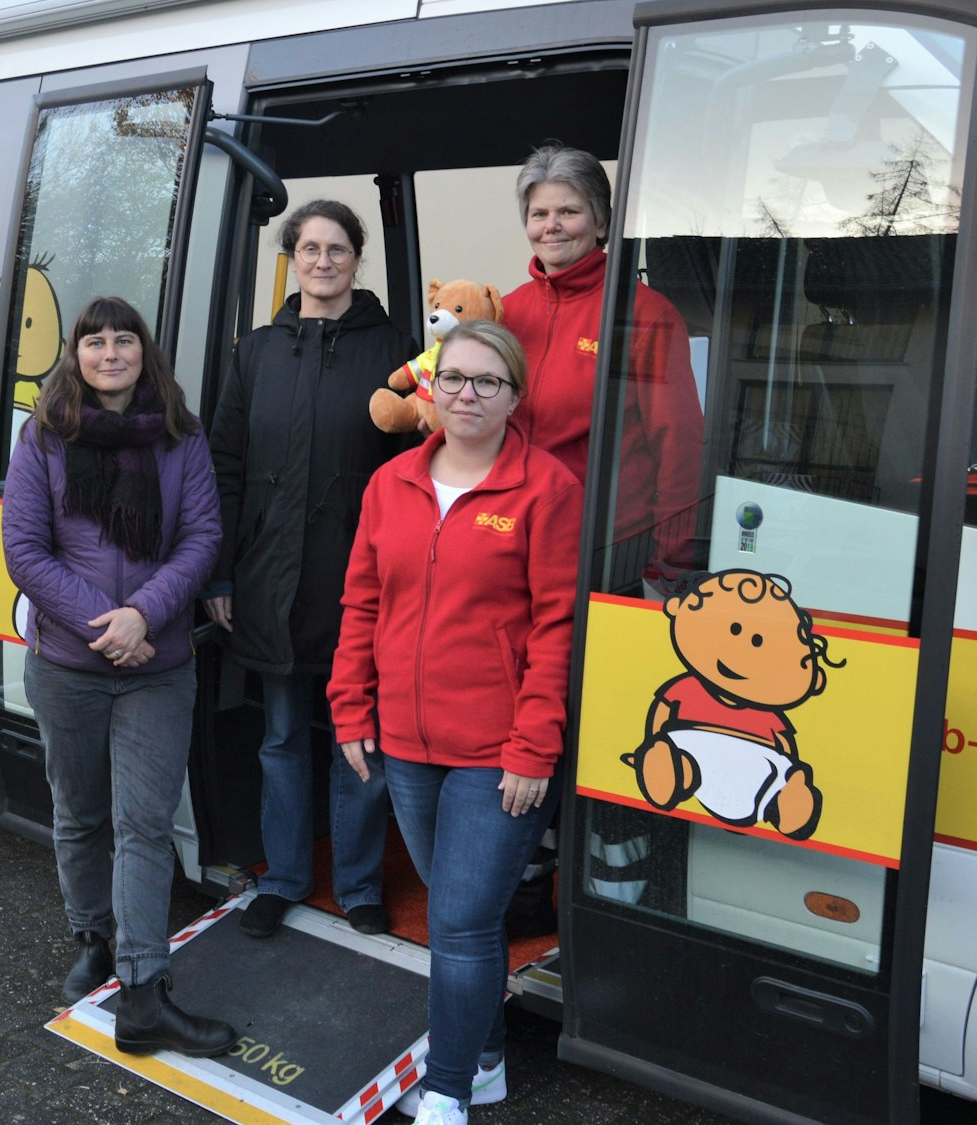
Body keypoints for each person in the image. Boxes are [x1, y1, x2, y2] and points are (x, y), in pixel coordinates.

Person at [328, 321, 581, 1125]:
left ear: (515, 395)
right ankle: (489, 1058)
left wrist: (534, 745)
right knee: (455, 906)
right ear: (430, 390)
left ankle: (447, 1089)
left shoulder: (547, 489)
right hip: (405, 741)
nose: (467, 393)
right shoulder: (391, 482)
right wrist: (349, 706)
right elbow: (362, 603)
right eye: (453, 378)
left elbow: (558, 629)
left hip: (499, 752)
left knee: (462, 920)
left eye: (487, 381)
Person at [2, 295, 235, 1057]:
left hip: (157, 667)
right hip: (69, 664)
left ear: (144, 350)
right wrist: (107, 626)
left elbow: (201, 536)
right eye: (95, 341)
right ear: (75, 353)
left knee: (144, 824)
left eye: (124, 340)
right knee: (79, 813)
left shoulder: (181, 435)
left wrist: (144, 614)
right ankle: (93, 937)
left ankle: (142, 989)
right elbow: (24, 549)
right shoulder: (44, 436)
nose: (110, 353)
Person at [205, 199, 417, 940]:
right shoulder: (256, 352)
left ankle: (359, 886)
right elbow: (225, 466)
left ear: (357, 258)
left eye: (337, 249)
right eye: (309, 249)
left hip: (361, 582)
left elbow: (414, 469)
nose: (323, 261)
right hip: (269, 578)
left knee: (361, 746)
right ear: (291, 259)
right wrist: (221, 574)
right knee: (282, 738)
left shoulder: (395, 350)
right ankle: (286, 878)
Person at [501, 144, 702, 594]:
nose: (551, 226)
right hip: (513, 542)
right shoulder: (505, 312)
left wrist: (670, 561)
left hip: (606, 552)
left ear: (602, 223)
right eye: (539, 214)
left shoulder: (642, 314)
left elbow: (680, 446)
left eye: (569, 212)